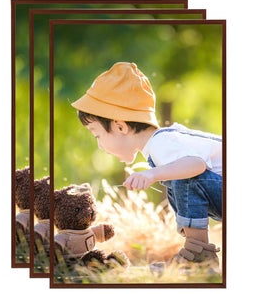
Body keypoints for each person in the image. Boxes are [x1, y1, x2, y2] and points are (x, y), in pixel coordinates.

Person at [71, 62, 222, 272]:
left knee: (183, 176)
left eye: (97, 135)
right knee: (175, 177)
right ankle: (197, 254)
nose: (99, 144)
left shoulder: (161, 143)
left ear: (120, 126)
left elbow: (196, 165)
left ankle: (199, 257)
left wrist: (152, 174)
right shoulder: (160, 144)